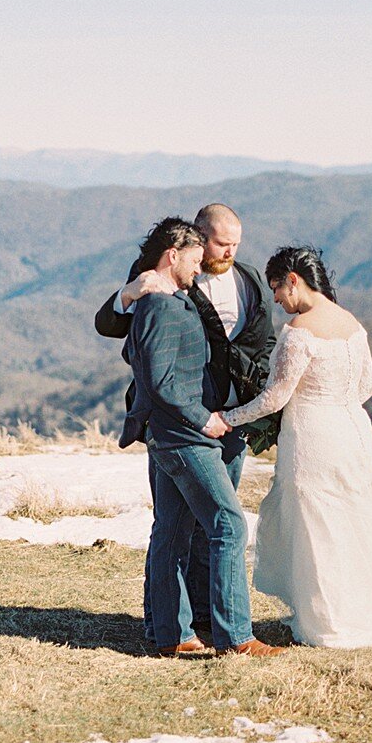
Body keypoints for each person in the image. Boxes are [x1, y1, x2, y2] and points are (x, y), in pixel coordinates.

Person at [221, 246, 372, 648]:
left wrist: (228, 418)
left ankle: (328, 617)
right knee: (354, 515)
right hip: (351, 430)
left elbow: (275, 397)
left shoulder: (300, 330)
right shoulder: (351, 323)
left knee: (317, 523)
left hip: (313, 434)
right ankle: (367, 606)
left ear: (293, 280)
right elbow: (367, 386)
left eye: (277, 289)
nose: (277, 300)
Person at [95, 203, 274, 640]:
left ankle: (199, 620)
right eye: (222, 244)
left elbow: (262, 340)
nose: (230, 252)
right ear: (196, 239)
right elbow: (112, 326)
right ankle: (179, 627)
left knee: (206, 526)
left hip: (233, 420)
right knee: (191, 525)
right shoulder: (160, 280)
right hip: (182, 420)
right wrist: (128, 292)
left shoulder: (249, 279)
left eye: (236, 244)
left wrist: (255, 398)